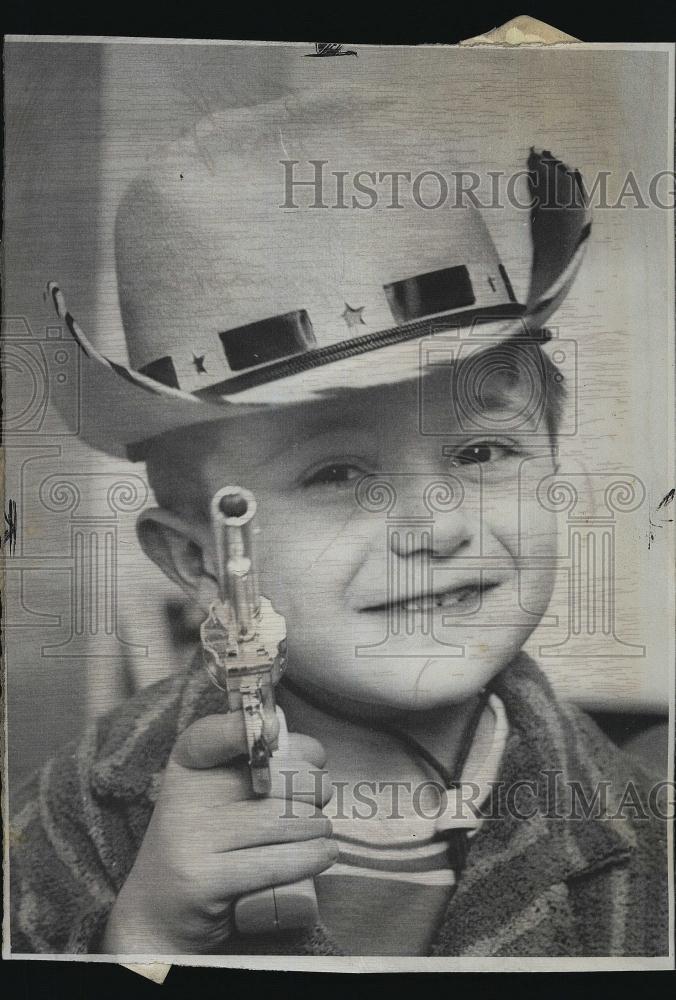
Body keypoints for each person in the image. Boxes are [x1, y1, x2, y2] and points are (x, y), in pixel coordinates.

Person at [10, 90, 668, 958]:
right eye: (338, 474)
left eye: (481, 453)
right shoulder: (78, 816)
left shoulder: (645, 829)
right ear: (201, 561)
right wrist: (146, 937)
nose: (434, 530)